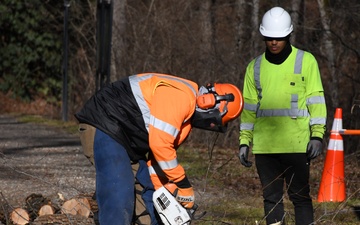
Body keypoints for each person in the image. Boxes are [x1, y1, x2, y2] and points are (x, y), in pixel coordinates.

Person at [75, 73, 244, 225]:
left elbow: (158, 161)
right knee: (119, 195)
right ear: (208, 102)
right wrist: (183, 185)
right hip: (106, 123)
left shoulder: (185, 122)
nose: (209, 125)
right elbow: (160, 145)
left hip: (127, 140)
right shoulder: (182, 96)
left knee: (149, 202)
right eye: (212, 121)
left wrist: (168, 191)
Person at [238, 7, 327, 225]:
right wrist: (244, 141)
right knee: (271, 199)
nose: (274, 42)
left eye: (279, 38)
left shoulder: (306, 61)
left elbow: (316, 100)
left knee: (300, 198)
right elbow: (249, 108)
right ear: (263, 36)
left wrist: (317, 135)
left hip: (297, 145)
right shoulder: (255, 67)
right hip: (265, 147)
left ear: (288, 35)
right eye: (269, 38)